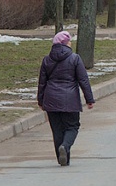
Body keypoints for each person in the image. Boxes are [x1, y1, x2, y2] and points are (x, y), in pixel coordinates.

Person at [37, 31, 95, 167]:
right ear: (65, 43)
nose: (71, 43)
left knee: (57, 129)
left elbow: (42, 83)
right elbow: (83, 80)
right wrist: (89, 99)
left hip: (51, 99)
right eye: (69, 41)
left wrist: (41, 100)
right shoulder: (75, 58)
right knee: (72, 126)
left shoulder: (47, 59)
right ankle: (65, 146)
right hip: (70, 99)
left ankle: (62, 158)